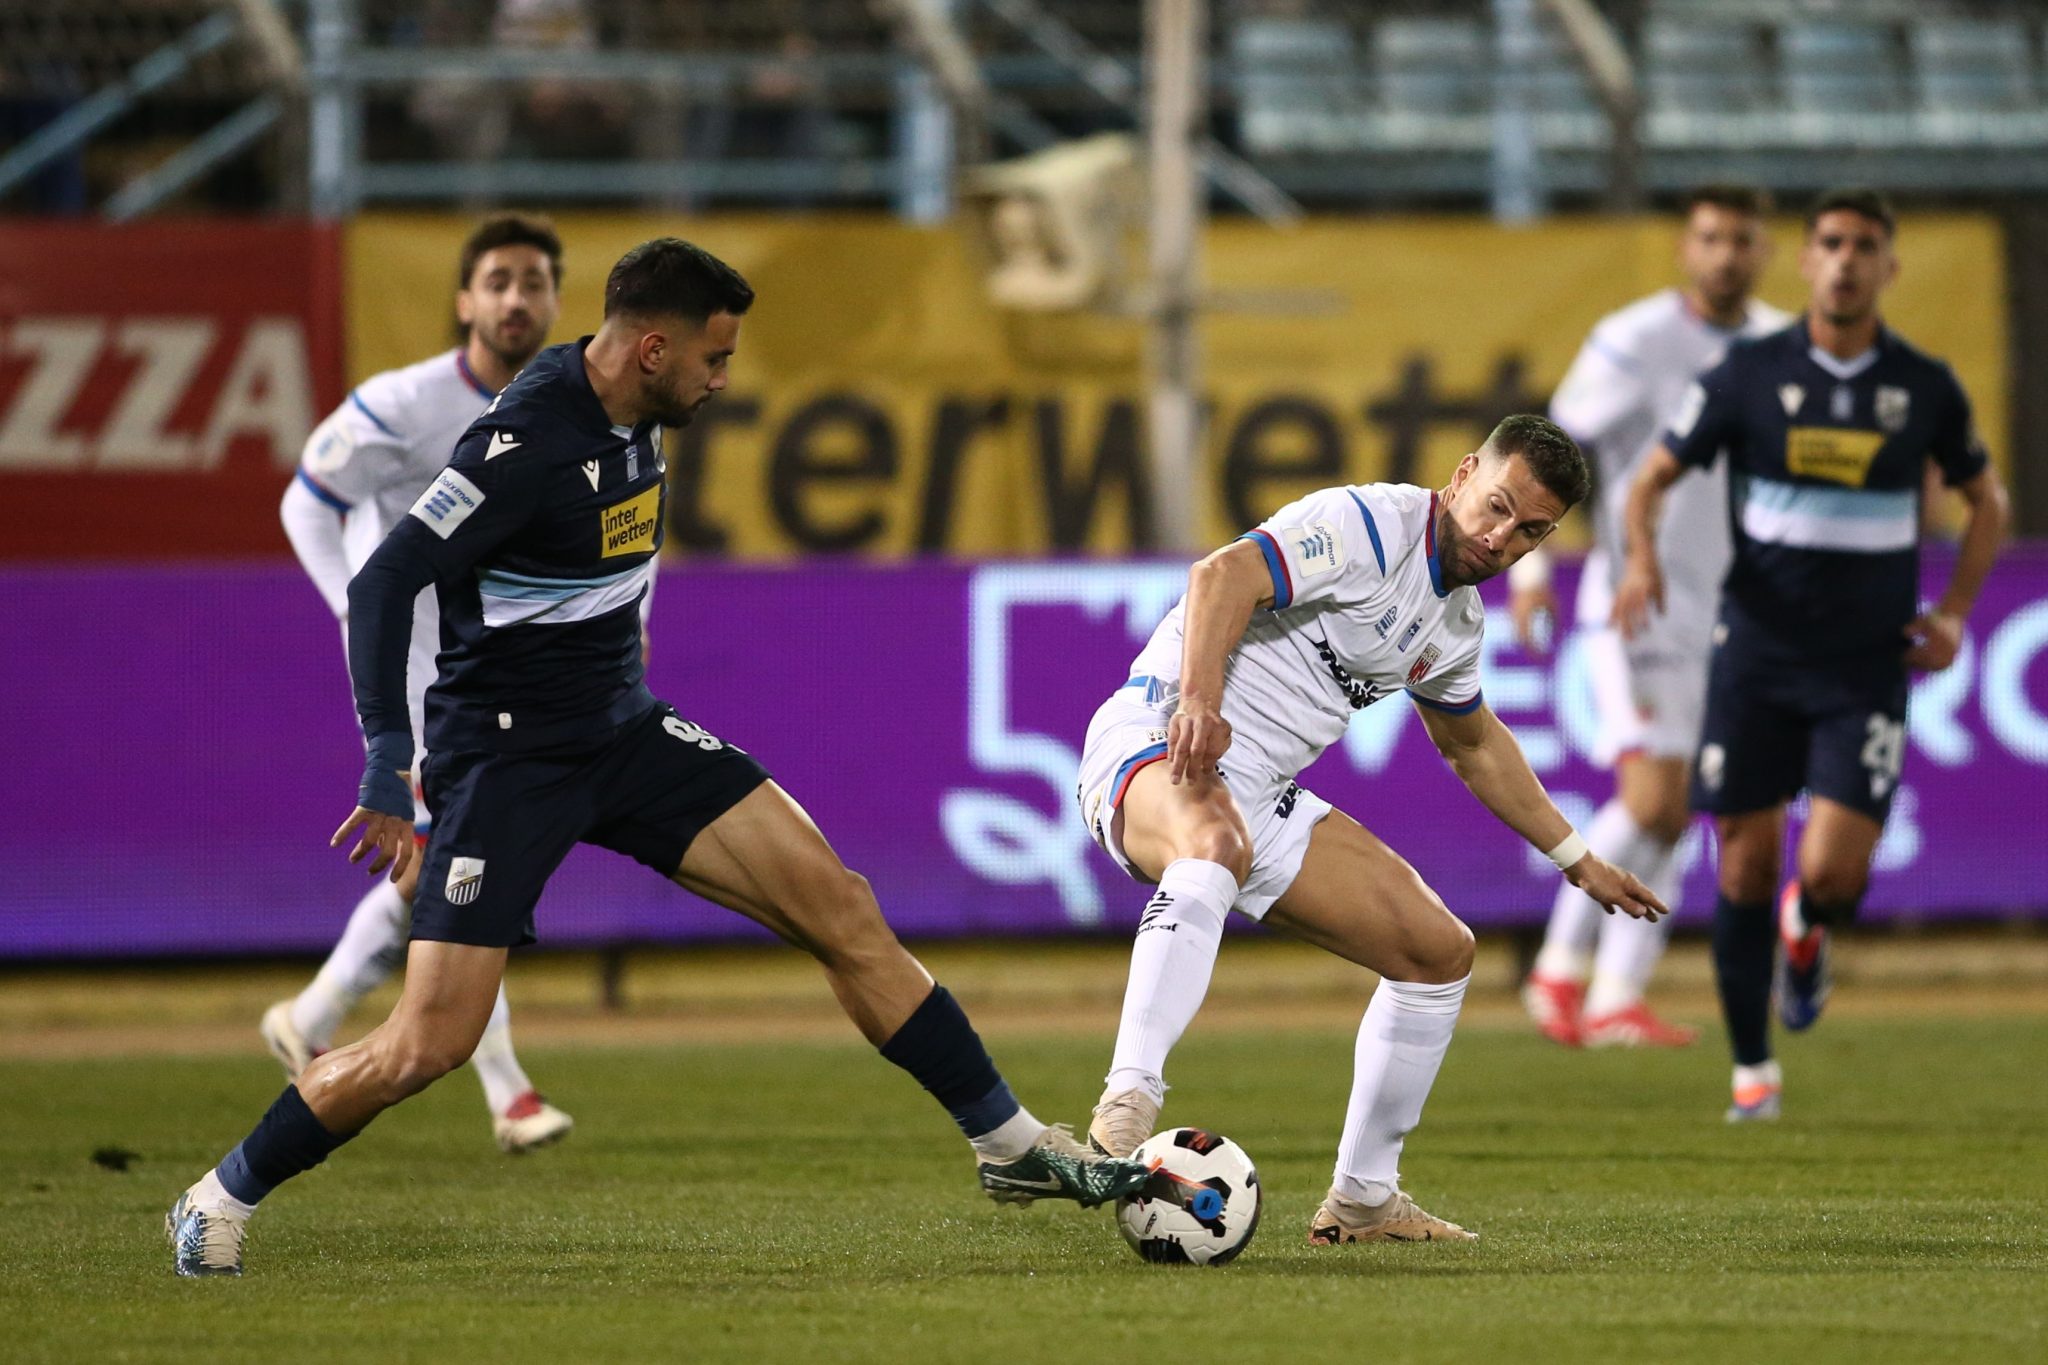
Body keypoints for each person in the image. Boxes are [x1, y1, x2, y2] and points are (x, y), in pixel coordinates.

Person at [167, 238, 1149, 1277]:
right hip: (505, 762)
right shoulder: (523, 445)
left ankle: (1007, 1146)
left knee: (840, 904)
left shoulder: (630, 411)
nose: (721, 380)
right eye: (712, 359)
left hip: (625, 732)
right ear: (648, 349)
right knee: (429, 1043)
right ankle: (216, 1196)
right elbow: (382, 584)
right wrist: (385, 759)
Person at [1078, 416, 1667, 1245]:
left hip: (1258, 793)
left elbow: (1473, 745)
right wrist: (1200, 700)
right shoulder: (1366, 526)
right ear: (1463, 474)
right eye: (1497, 506)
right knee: (1212, 845)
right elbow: (1223, 574)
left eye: (1532, 531)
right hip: (1154, 738)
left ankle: (1363, 1199)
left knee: (1437, 951)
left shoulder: (1454, 624)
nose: (1503, 539)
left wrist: (1577, 858)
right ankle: (1124, 1111)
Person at [1614, 188, 2009, 1121]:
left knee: (1832, 873)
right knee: (1744, 868)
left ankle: (1810, 925)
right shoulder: (1748, 373)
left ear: (1888, 267)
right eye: (1830, 243)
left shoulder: (1922, 385)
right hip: (1754, 653)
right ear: (1807, 260)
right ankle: (1753, 1068)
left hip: (1865, 663)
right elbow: (1652, 477)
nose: (1844, 261)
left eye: (1863, 246)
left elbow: (1984, 500)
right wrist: (1639, 556)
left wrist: (1953, 611)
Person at [273, 213, 575, 1154]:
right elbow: (306, 502)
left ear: (555, 297)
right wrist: (352, 611)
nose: (516, 298)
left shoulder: (564, 410)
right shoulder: (403, 405)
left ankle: (311, 1015)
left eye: (533, 280)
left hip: (498, 678)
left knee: (435, 872)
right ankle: (511, 1092)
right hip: (415, 690)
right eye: (498, 280)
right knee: (455, 865)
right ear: (465, 300)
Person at [1512, 186, 1792, 1049]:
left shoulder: (1783, 346)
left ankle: (1605, 994)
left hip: (1727, 609)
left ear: (1762, 249)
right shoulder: (1634, 339)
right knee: (1655, 793)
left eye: (1741, 239)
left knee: (1678, 806)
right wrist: (1529, 572)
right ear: (1685, 247)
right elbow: (1552, 446)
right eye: (1710, 237)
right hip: (1636, 598)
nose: (1726, 254)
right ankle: (1563, 976)